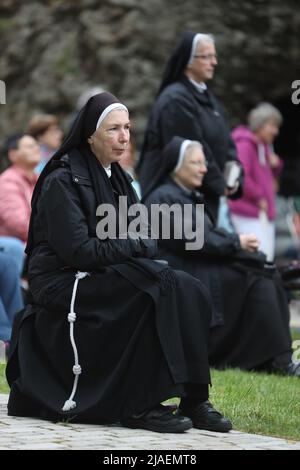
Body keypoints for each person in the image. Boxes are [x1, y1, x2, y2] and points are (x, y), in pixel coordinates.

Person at [6, 92, 232, 433]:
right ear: (89, 134)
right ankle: (140, 404)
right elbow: (80, 251)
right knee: (149, 294)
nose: (124, 137)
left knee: (188, 288)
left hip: (105, 270)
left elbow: (147, 239)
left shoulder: (120, 179)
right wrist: (132, 243)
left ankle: (195, 398)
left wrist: (133, 243)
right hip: (61, 280)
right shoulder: (61, 180)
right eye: (114, 129)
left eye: (127, 128)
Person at [144, 136, 300, 377]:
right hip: (184, 271)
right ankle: (277, 361)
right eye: (196, 163)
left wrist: (239, 246)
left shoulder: (187, 195)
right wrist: (236, 242)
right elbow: (192, 240)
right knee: (259, 282)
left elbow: (206, 235)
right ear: (177, 165)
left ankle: (269, 356)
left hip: (200, 265)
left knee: (263, 271)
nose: (204, 169)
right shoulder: (162, 197)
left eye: (204, 163)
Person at [137, 31, 242, 218]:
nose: (214, 62)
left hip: (205, 194)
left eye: (214, 56)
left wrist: (234, 180)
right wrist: (219, 184)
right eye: (207, 56)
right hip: (176, 203)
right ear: (189, 60)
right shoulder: (175, 100)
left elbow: (228, 145)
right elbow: (190, 151)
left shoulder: (211, 101)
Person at [229, 103, 284, 261]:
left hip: (261, 212)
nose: (276, 131)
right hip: (248, 212)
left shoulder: (264, 147)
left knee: (266, 258)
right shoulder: (244, 146)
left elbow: (269, 176)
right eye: (272, 126)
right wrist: (259, 197)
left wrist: (277, 164)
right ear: (260, 124)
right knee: (259, 259)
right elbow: (241, 176)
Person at [0, 134, 40, 243]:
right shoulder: (7, 181)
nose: (36, 148)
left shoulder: (40, 179)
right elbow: (20, 225)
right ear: (13, 155)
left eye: (36, 145)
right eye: (30, 146)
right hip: (21, 249)